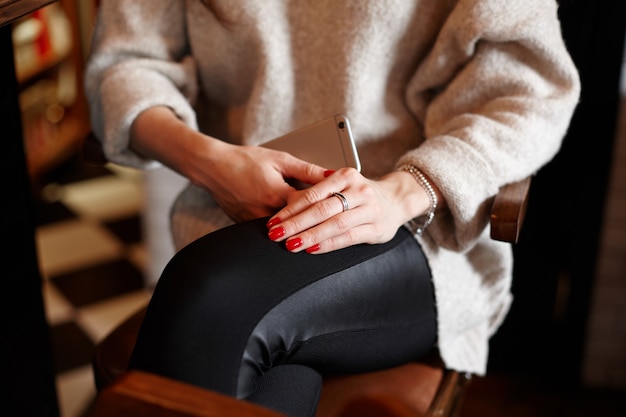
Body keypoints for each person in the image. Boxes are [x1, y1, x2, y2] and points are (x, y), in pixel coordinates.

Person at [85, 1, 580, 416]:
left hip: (412, 225)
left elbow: (530, 92)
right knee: (266, 367)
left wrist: (405, 191)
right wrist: (211, 162)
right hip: (232, 218)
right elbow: (127, 63)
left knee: (214, 293)